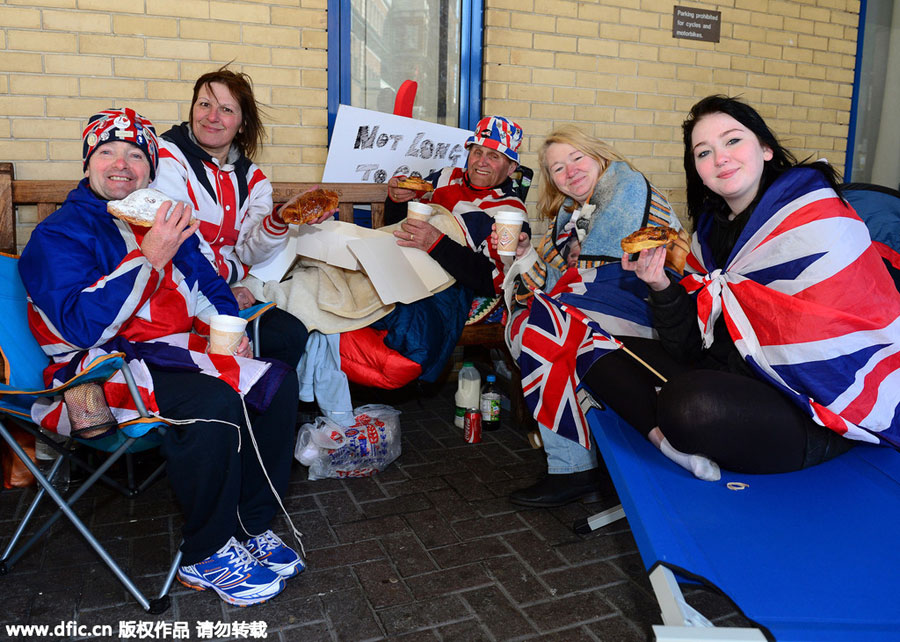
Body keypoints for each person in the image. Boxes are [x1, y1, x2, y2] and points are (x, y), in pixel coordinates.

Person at [19, 108, 304, 607]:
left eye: (136, 154)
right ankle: (207, 553)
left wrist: (227, 328)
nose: (121, 165)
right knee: (214, 400)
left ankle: (249, 525)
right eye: (106, 151)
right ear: (88, 162)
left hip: (170, 353)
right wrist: (149, 256)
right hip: (99, 369)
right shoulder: (57, 235)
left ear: (151, 169)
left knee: (275, 384)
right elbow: (78, 327)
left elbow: (210, 285)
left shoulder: (162, 219)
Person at [587, 95, 900, 476]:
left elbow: (832, 341)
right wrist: (659, 284)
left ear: (765, 148)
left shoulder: (813, 215)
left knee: (690, 405)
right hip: (734, 379)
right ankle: (667, 443)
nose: (720, 158)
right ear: (697, 170)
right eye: (704, 152)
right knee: (593, 340)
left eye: (733, 140)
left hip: (810, 403)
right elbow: (688, 346)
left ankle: (676, 422)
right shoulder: (707, 234)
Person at [499, 126, 684, 507]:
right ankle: (584, 459)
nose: (570, 172)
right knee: (528, 323)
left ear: (598, 156)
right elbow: (553, 280)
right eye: (557, 168)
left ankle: (574, 468)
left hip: (650, 304)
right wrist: (524, 254)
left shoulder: (626, 187)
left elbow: (599, 270)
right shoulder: (569, 216)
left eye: (576, 158)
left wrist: (572, 267)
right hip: (600, 303)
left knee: (545, 326)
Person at [152, 66, 331, 371]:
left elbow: (250, 252)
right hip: (177, 289)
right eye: (205, 104)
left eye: (226, 109)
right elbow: (185, 243)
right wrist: (223, 293)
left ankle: (254, 411)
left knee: (291, 334)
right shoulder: (165, 156)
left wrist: (281, 217)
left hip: (224, 290)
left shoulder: (254, 179)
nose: (212, 117)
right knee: (268, 339)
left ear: (242, 124)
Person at [384, 115, 530, 309]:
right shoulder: (445, 177)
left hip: (444, 289)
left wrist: (436, 244)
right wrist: (397, 198)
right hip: (403, 266)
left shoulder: (511, 213)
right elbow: (397, 224)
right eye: (477, 152)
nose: (482, 162)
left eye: (494, 156)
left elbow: (494, 281)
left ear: (511, 167)